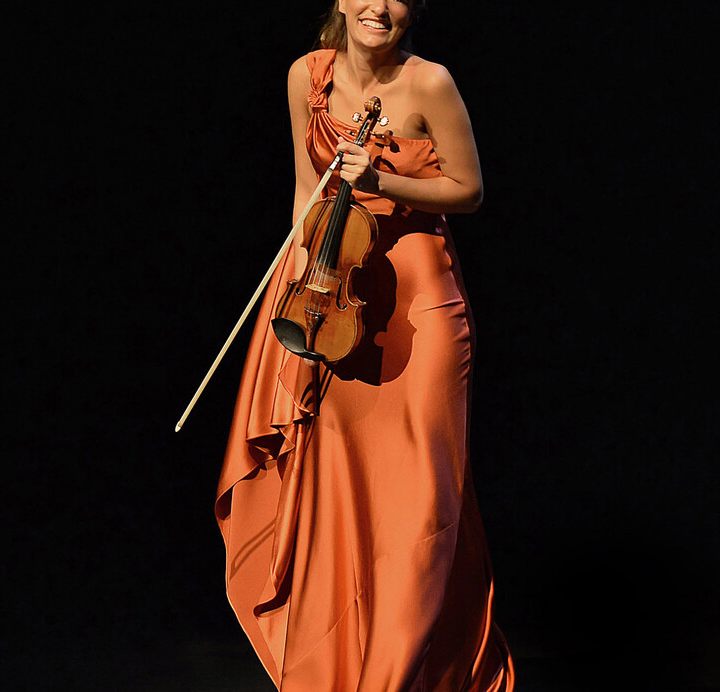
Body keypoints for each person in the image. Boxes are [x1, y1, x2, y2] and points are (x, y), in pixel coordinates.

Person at [215, 0, 514, 690]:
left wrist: (378, 180)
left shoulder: (430, 83)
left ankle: (399, 674)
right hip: (337, 293)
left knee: (421, 498)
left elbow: (466, 190)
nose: (377, 6)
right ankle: (344, 665)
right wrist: (300, 288)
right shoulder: (306, 76)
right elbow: (304, 189)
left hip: (421, 302)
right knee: (348, 490)